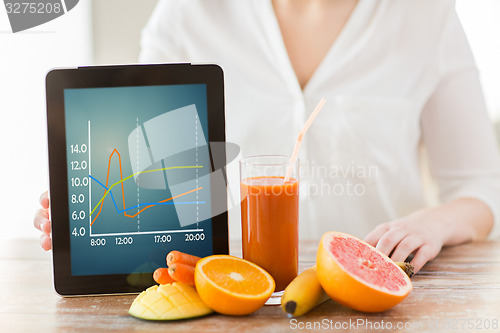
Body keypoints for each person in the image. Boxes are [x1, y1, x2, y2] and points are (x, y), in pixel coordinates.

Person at [34, 0, 500, 274]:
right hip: (233, 296)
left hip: (380, 298)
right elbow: (158, 178)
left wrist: (435, 222)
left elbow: (480, 189)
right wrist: (98, 216)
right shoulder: (188, 13)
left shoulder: (426, 16)